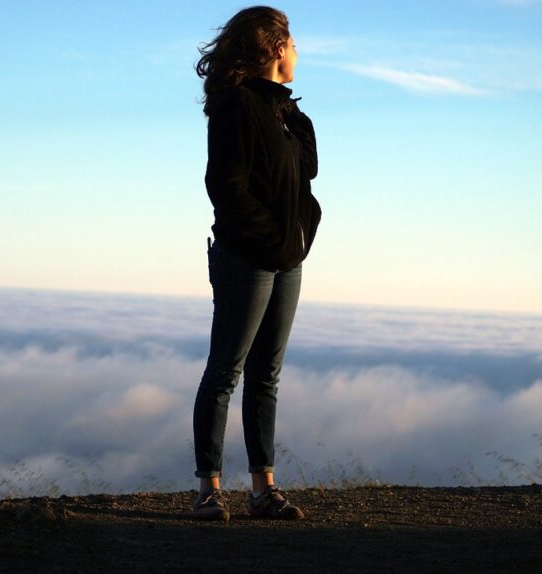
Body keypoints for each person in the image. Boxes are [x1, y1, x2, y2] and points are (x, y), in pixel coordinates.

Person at [192, 6, 321, 522]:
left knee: (265, 375)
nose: (298, 53)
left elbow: (305, 178)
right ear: (275, 48)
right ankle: (208, 490)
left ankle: (263, 489)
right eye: (292, 44)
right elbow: (226, 189)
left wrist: (302, 234)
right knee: (226, 372)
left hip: (286, 259)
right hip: (247, 259)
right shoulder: (237, 106)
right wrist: (271, 239)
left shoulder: (282, 112)